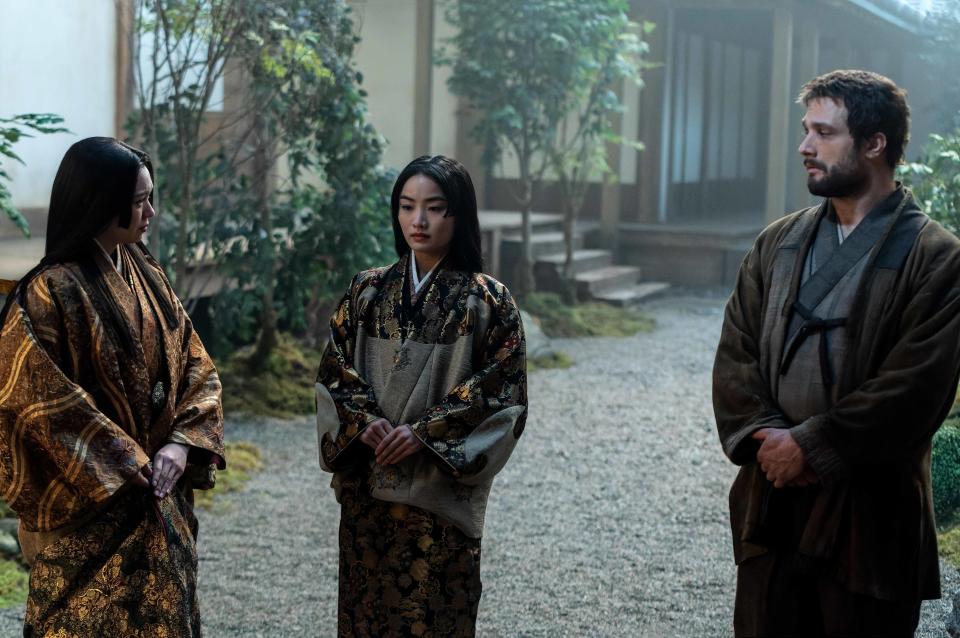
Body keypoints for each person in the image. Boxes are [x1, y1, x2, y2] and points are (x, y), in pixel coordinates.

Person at [713, 69, 960, 637]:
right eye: (806, 130)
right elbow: (736, 353)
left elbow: (915, 388)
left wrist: (810, 444)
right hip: (772, 495)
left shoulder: (936, 258)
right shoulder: (778, 242)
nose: (804, 146)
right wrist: (766, 437)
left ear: (875, 144)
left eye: (823, 133)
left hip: (870, 509)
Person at [0, 137, 225, 636]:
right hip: (91, 507)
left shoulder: (146, 270)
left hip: (162, 491)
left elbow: (195, 362)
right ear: (100, 202)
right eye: (141, 200)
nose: (152, 211)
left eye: (151, 196)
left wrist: (181, 444)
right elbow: (35, 402)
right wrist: (125, 461)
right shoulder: (48, 292)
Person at [316, 155, 527, 637]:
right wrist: (364, 422)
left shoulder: (489, 302)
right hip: (370, 486)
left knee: (436, 615)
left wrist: (424, 434)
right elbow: (335, 372)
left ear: (459, 215)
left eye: (435, 208)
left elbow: (501, 396)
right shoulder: (367, 290)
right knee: (366, 611)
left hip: (438, 497)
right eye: (407, 206)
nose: (419, 220)